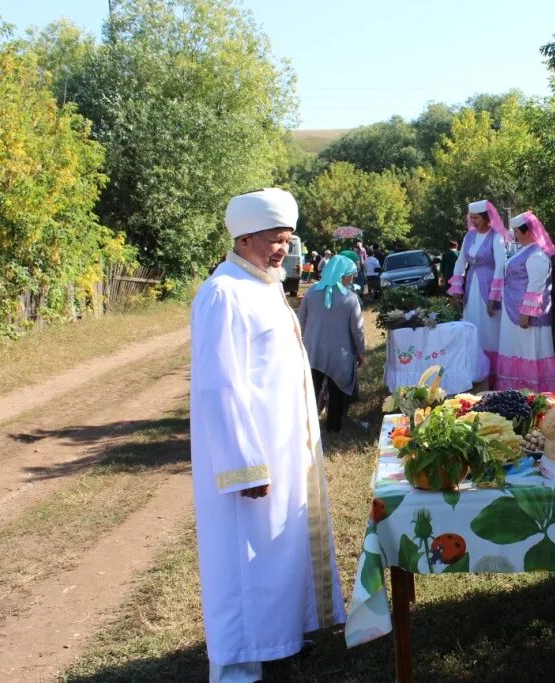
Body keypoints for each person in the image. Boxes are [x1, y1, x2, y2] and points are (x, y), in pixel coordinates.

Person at [189, 188, 345, 683]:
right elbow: (219, 388)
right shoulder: (223, 293)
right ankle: (237, 665)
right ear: (246, 237)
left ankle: (278, 641)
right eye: (276, 240)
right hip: (252, 461)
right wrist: (245, 465)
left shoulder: (264, 284)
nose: (284, 250)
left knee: (276, 554)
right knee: (242, 563)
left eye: (288, 240)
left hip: (282, 447)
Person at [495, 211, 555, 392]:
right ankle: (516, 390)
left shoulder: (537, 254)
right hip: (513, 309)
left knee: (529, 349)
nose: (514, 234)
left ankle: (534, 390)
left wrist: (526, 312)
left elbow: (537, 284)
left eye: (516, 230)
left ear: (526, 231)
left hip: (527, 315)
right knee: (517, 349)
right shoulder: (525, 251)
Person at [298, 255, 366, 433]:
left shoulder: (311, 293)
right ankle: (333, 426)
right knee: (337, 390)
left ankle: (308, 427)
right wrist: (361, 351)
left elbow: (301, 320)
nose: (352, 278)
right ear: (341, 275)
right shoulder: (350, 298)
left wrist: (301, 343)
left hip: (313, 351)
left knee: (312, 388)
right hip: (340, 353)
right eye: (350, 274)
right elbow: (357, 330)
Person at [447, 199, 511, 387]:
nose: (473, 221)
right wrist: (457, 288)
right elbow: (460, 262)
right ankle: (476, 371)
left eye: (476, 218)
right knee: (472, 325)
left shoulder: (496, 236)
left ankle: (495, 375)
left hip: (489, 285)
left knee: (490, 329)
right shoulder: (469, 237)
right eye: (471, 217)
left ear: (485, 217)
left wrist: (494, 297)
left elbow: (500, 265)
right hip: (472, 286)